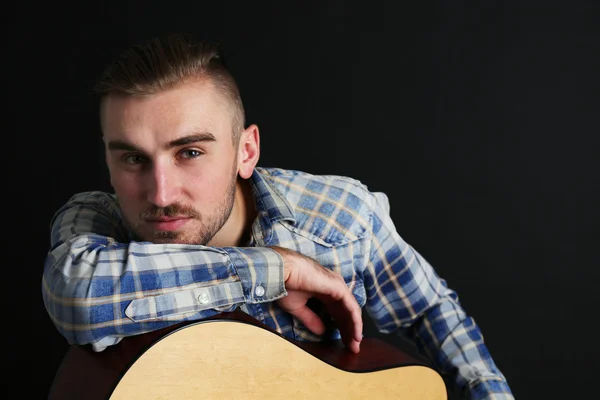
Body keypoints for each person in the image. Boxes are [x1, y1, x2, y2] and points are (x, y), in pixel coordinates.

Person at [42, 32, 514, 399]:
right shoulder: (96, 222)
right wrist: (278, 269)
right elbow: (77, 298)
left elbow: (430, 309)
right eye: (133, 159)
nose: (161, 193)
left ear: (246, 151)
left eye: (189, 152)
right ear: (108, 159)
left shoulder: (339, 220)